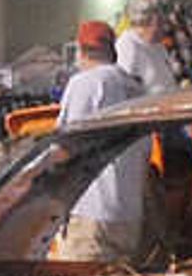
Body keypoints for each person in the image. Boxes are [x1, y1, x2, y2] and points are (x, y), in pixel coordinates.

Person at [52, 17, 150, 260]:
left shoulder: (85, 83)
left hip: (91, 212)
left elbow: (65, 146)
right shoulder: (135, 88)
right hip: (129, 214)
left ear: (81, 50)